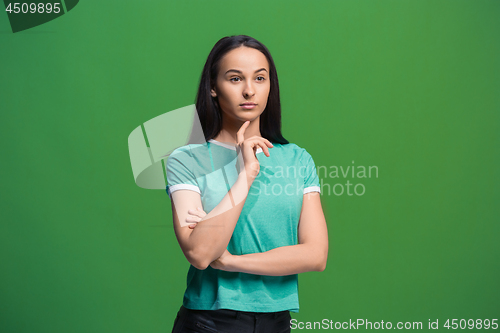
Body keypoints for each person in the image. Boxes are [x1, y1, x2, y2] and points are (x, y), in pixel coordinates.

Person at [166, 35, 328, 333]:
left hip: (277, 322)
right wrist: (246, 174)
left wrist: (230, 261)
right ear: (213, 87)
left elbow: (315, 255)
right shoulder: (186, 160)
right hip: (209, 322)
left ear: (270, 86)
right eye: (235, 78)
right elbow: (201, 253)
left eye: (260, 78)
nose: (249, 90)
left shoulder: (297, 159)